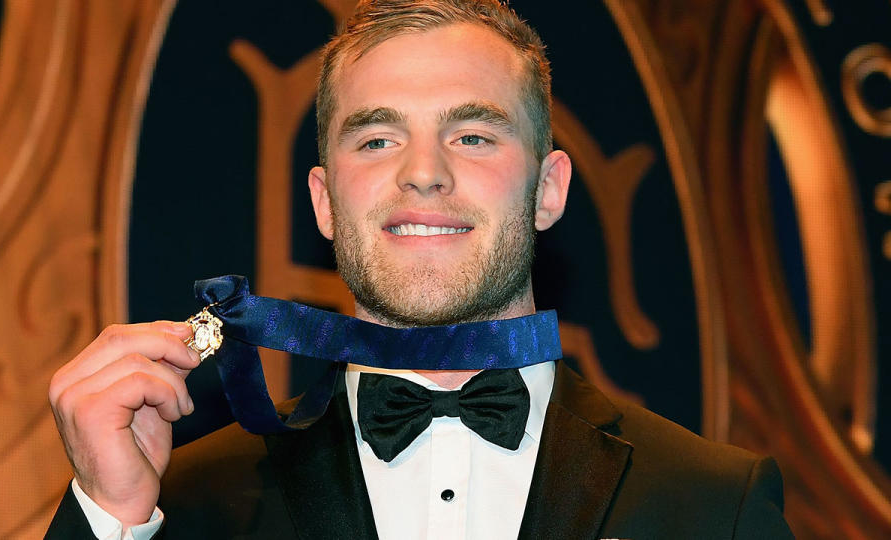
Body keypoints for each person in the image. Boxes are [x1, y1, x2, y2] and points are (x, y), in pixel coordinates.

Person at [46, 1, 795, 538]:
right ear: (324, 200)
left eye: (472, 136)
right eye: (376, 140)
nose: (424, 173)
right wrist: (111, 519)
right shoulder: (182, 504)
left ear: (549, 189)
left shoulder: (713, 504)